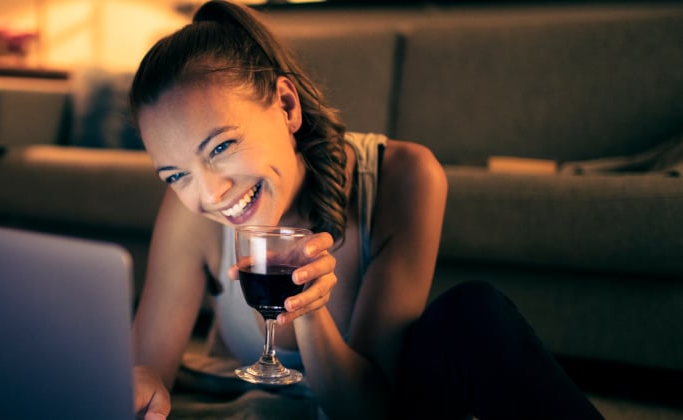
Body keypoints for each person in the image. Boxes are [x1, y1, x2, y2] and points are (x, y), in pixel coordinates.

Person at [127, 1, 604, 419]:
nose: (211, 193)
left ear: (287, 106)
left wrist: (311, 314)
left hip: (372, 402)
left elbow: (369, 410)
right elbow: (147, 370)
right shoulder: (191, 213)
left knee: (474, 316)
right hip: (257, 403)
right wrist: (140, 387)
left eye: (222, 146)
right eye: (176, 175)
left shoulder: (404, 177)